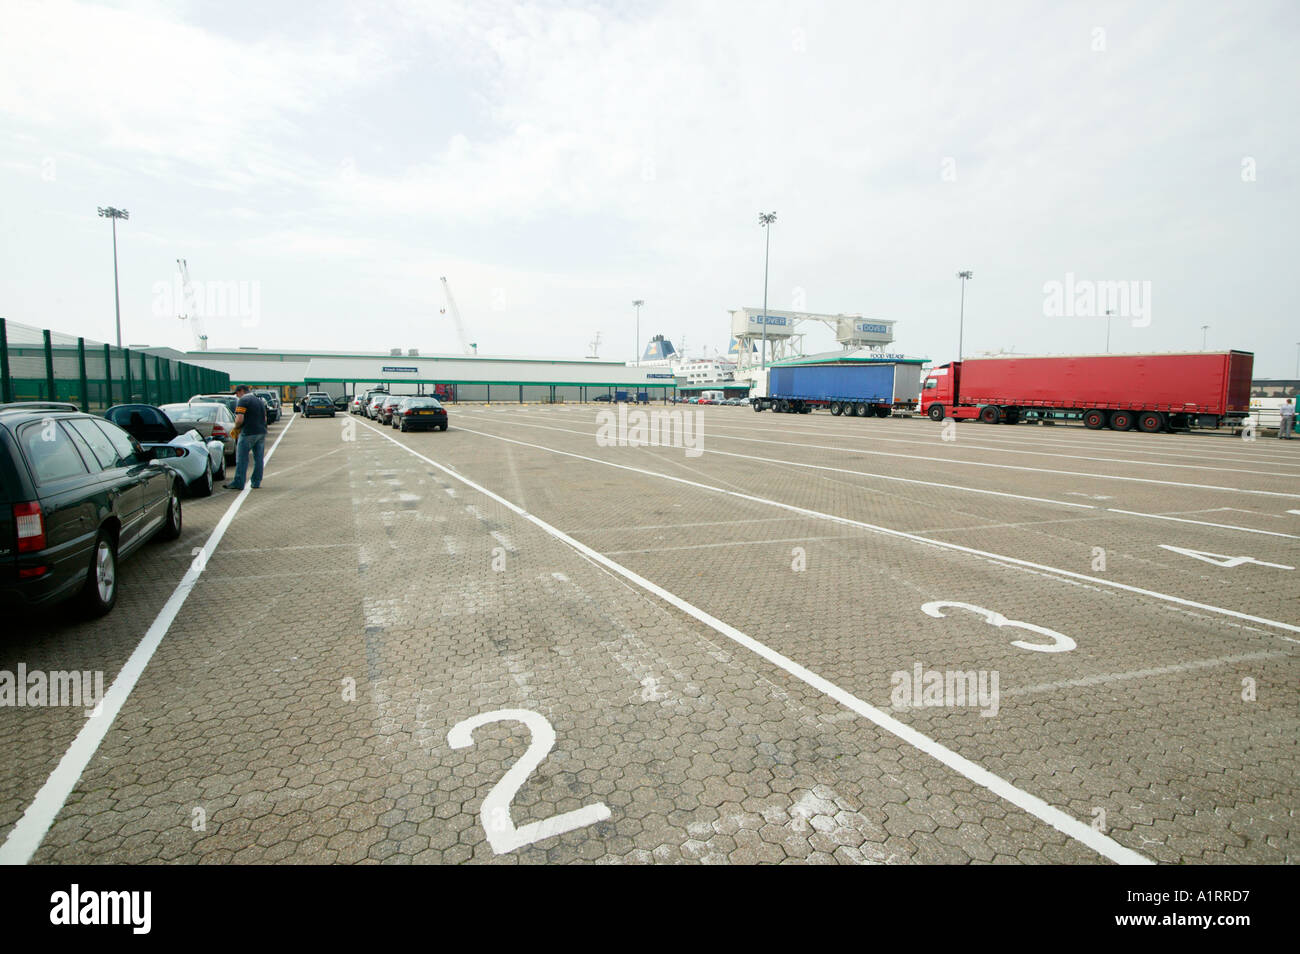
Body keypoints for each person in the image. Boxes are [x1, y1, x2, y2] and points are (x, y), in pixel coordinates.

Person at [224, 385, 268, 489]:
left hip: (248, 432)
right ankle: (256, 482)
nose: (237, 396)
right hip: (261, 432)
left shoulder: (244, 400)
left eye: (237, 393)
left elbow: (239, 419)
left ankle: (239, 482)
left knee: (242, 458)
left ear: (241, 391)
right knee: (259, 459)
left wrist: (236, 428)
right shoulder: (259, 401)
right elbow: (265, 418)